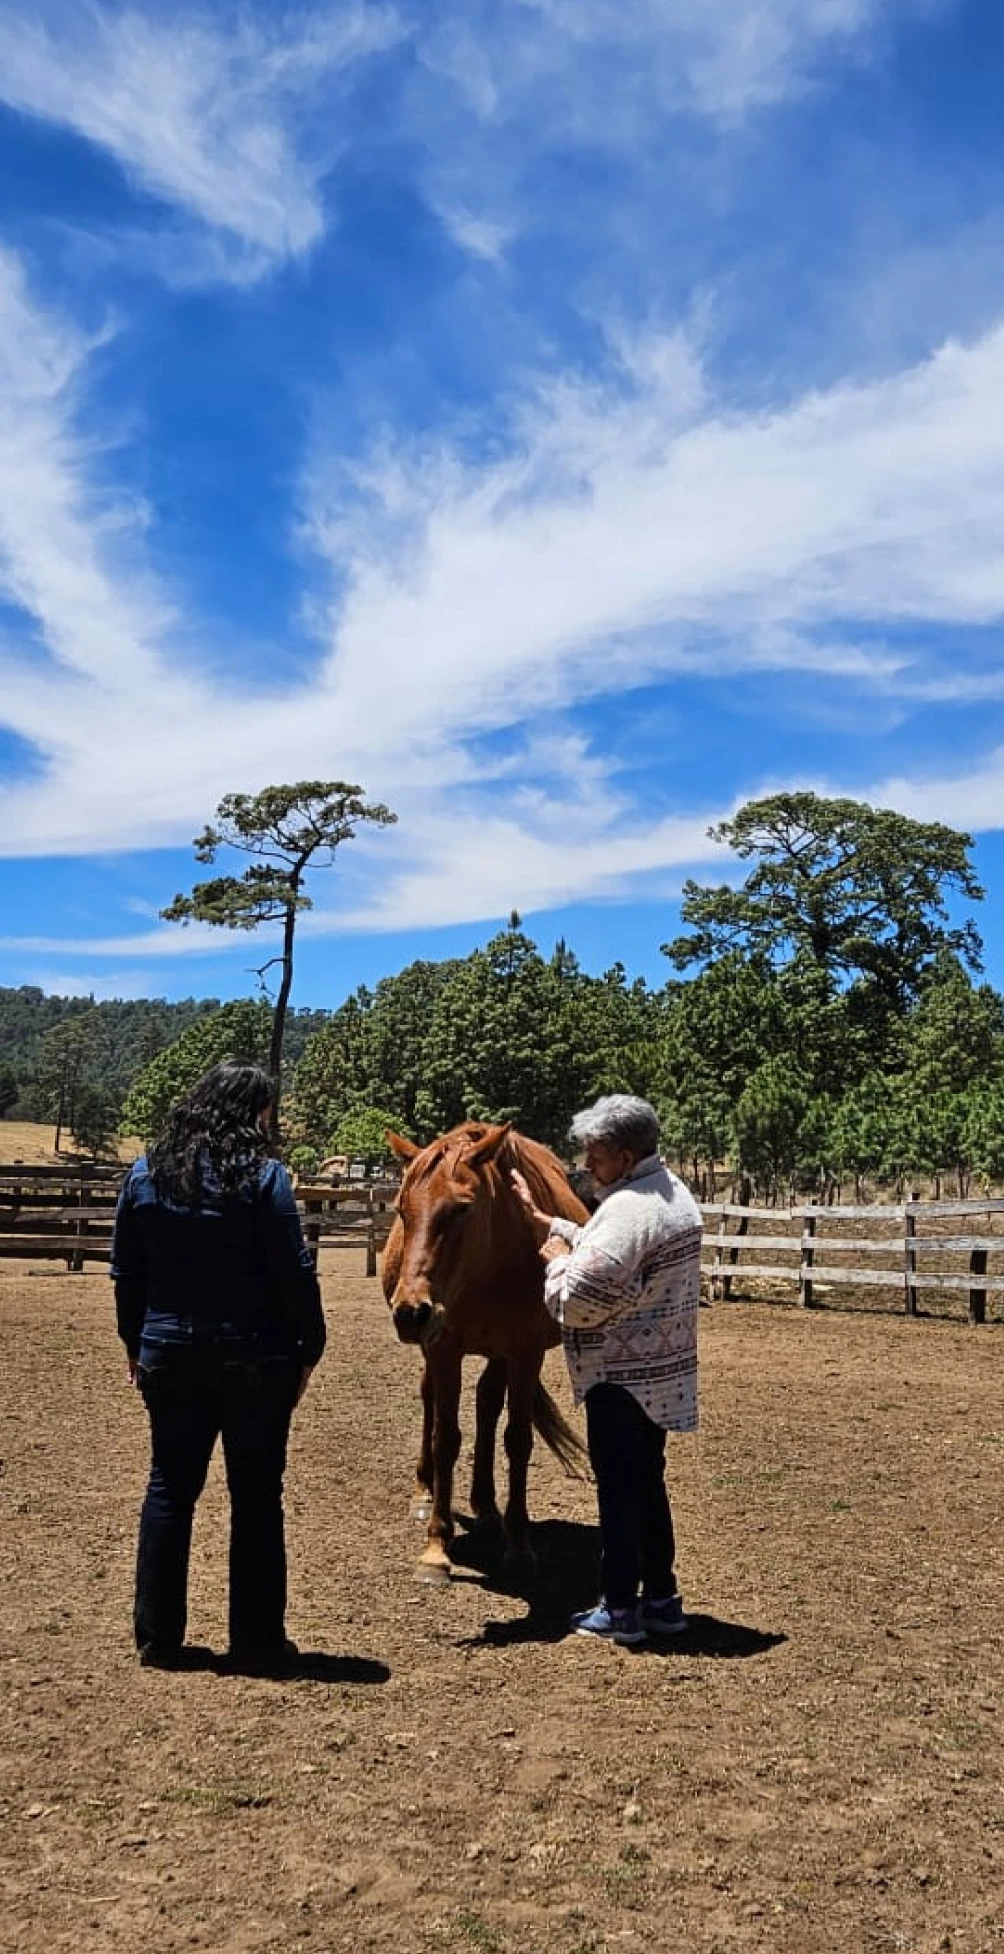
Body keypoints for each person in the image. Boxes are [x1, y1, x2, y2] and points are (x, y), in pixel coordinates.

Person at [111, 1062, 326, 1674]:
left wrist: (134, 1342)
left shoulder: (146, 1173)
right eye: (264, 1111)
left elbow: (127, 1271)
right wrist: (310, 1347)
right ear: (249, 1113)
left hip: (169, 1354)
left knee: (170, 1489)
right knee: (257, 1497)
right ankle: (256, 1639)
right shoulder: (264, 1179)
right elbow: (294, 1273)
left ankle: (158, 1634)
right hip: (255, 1358)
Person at [512, 1094, 701, 1647]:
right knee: (648, 1482)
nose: (586, 1164)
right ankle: (662, 1599)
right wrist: (550, 1221)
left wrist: (553, 1261)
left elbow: (579, 1300)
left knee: (618, 1492)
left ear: (623, 1154)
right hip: (661, 1374)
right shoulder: (670, 1194)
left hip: (620, 1374)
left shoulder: (626, 1210)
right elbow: (621, 1255)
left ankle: (619, 1609)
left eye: (594, 1155)